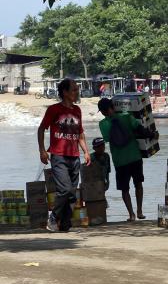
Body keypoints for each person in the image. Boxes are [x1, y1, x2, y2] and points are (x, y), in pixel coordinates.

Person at [38, 78, 91, 232]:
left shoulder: (77, 110)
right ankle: (53, 217)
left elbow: (80, 133)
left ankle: (65, 224)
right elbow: (41, 129)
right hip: (58, 156)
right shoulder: (54, 109)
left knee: (72, 194)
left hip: (74, 156)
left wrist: (86, 152)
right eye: (74, 89)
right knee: (65, 189)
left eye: (77, 89)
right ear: (65, 92)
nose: (77, 92)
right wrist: (42, 150)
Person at [98, 98, 159, 222]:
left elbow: (107, 138)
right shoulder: (127, 116)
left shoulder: (103, 124)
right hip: (134, 156)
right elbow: (141, 130)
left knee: (125, 189)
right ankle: (140, 211)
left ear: (103, 112)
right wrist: (152, 134)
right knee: (138, 184)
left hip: (119, 160)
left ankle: (131, 214)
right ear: (113, 107)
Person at [90, 138, 111, 204]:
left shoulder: (106, 156)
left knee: (102, 200)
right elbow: (87, 173)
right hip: (93, 183)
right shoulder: (91, 157)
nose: (102, 148)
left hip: (103, 182)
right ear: (94, 148)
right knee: (97, 200)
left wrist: (107, 182)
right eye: (99, 146)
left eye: (103, 145)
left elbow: (107, 171)